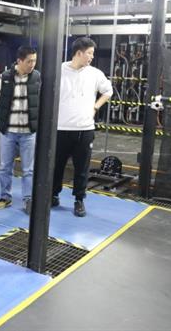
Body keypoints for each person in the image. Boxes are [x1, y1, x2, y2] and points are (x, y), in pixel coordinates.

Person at [53, 37, 113, 217]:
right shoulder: (59, 70)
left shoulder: (95, 73)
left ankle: (79, 200)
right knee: (56, 166)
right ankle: (53, 195)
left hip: (84, 129)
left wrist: (96, 107)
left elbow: (108, 91)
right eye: (89, 53)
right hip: (61, 128)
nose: (92, 57)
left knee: (82, 168)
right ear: (79, 53)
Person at [0, 46, 40, 215]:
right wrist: (2, 125)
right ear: (19, 61)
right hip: (8, 132)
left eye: (34, 61)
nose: (32, 64)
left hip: (29, 132)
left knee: (28, 170)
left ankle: (28, 200)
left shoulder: (37, 77)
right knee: (5, 167)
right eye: (29, 61)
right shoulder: (4, 77)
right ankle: (5, 197)